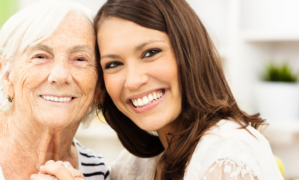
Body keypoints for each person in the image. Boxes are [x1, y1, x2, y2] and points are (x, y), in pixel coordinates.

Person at [34, 0, 284, 180]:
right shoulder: (134, 166)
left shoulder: (227, 155)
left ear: (189, 50)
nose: (133, 81)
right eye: (113, 64)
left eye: (151, 53)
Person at [0, 1, 109, 180]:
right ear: (6, 75)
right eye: (40, 56)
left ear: (99, 88)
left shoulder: (98, 171)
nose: (59, 76)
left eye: (80, 59)